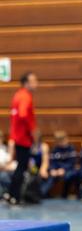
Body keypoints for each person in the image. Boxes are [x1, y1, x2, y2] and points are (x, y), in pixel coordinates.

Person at [2, 72, 38, 205]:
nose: (36, 84)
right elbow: (23, 115)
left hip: (18, 137)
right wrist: (32, 131)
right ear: (26, 83)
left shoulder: (18, 95)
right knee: (21, 168)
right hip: (23, 138)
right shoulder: (25, 97)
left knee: (20, 168)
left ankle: (12, 195)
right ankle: (14, 196)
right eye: (34, 81)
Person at [46, 130, 79, 198]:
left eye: (62, 141)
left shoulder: (71, 148)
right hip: (57, 170)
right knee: (50, 176)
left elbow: (72, 162)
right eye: (59, 141)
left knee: (70, 175)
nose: (61, 143)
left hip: (69, 169)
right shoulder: (55, 149)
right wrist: (53, 169)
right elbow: (52, 162)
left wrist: (63, 169)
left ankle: (65, 194)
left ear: (66, 139)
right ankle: (43, 193)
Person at [28, 129, 50, 198]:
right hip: (31, 167)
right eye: (34, 135)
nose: (35, 137)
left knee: (44, 175)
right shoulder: (29, 146)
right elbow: (28, 159)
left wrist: (43, 169)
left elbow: (45, 161)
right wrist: (32, 168)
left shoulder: (44, 146)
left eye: (37, 135)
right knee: (32, 174)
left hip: (40, 167)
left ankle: (40, 193)